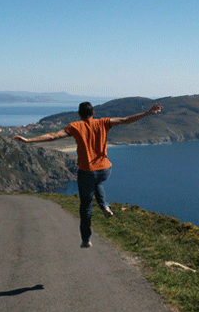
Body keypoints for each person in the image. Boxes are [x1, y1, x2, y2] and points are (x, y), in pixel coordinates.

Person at [13, 101, 162, 248]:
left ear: (79, 114)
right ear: (93, 113)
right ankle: (104, 205)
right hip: (105, 170)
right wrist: (148, 112)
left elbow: (53, 136)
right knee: (97, 181)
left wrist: (29, 140)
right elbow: (126, 120)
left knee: (85, 207)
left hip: (86, 171)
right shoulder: (103, 122)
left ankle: (86, 239)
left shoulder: (75, 127)